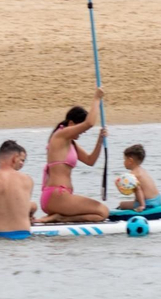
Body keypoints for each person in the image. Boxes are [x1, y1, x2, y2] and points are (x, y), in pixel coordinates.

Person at [37, 88, 112, 223]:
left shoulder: (71, 143)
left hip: (61, 197)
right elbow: (89, 123)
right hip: (55, 196)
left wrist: (100, 140)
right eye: (79, 127)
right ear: (71, 124)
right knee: (103, 211)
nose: (82, 132)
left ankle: (61, 217)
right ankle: (60, 218)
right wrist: (96, 99)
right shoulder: (60, 135)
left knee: (100, 215)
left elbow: (90, 161)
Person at [114, 143, 161, 211]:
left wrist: (142, 205)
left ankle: (141, 205)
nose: (123, 162)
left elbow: (138, 190)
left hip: (148, 203)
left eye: (124, 159)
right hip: (158, 199)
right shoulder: (142, 170)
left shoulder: (133, 175)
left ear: (130, 161)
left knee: (122, 204)